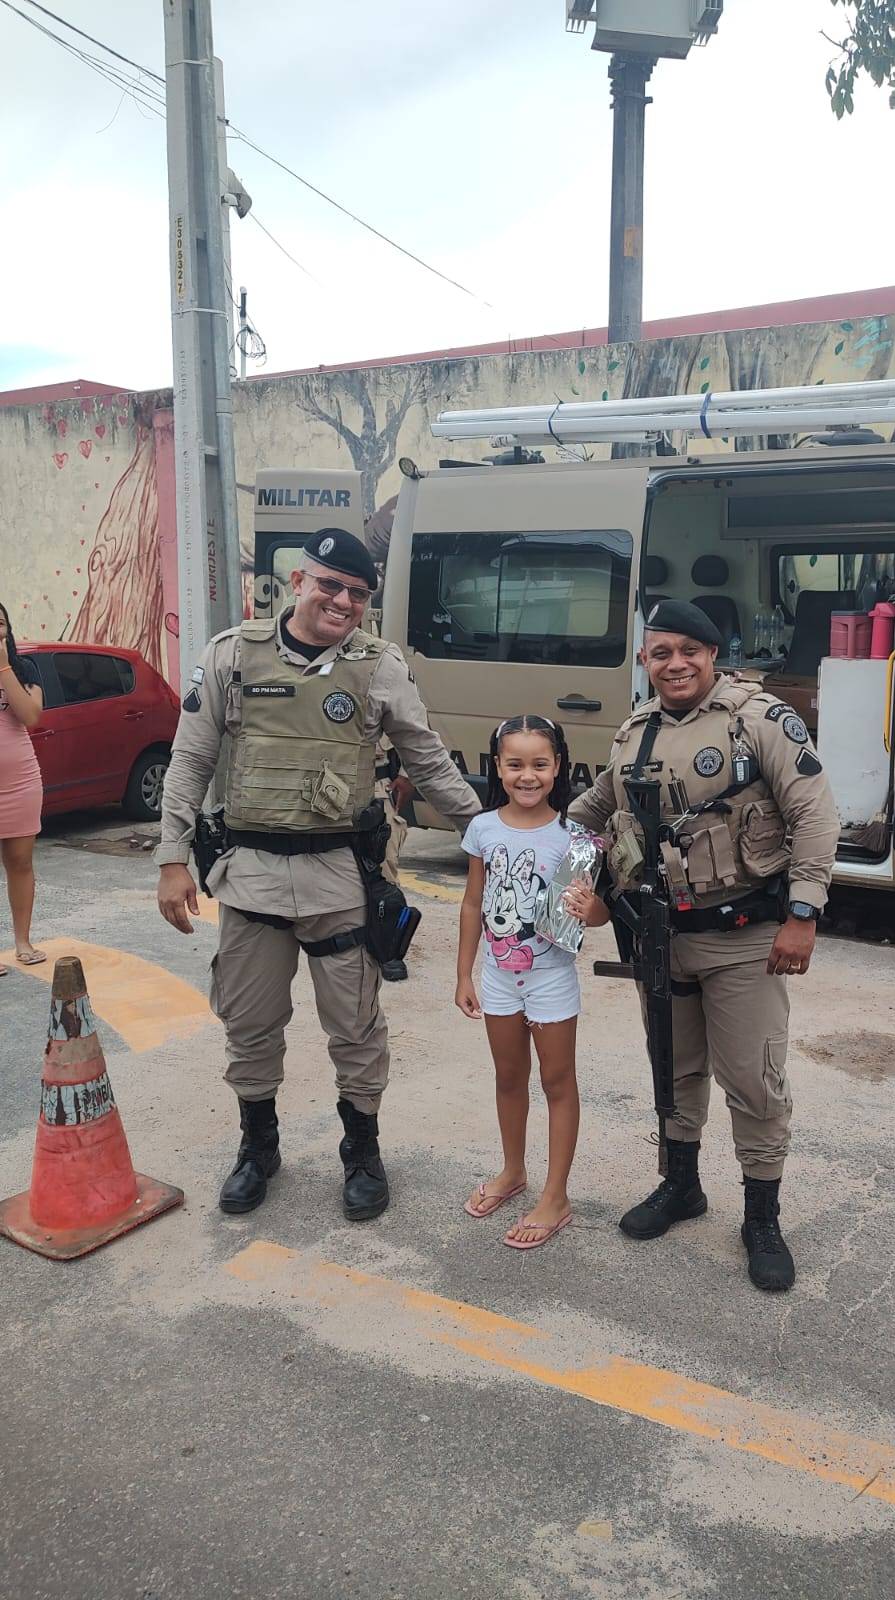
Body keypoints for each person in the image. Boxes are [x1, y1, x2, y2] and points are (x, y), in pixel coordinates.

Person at [156, 528, 479, 1220]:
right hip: (251, 879)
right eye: (330, 584)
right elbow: (189, 761)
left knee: (357, 1028)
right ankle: (258, 1146)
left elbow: (426, 759)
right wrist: (171, 858)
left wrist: (492, 831)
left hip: (340, 879)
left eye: (357, 593)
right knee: (249, 1023)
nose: (342, 601)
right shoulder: (231, 656)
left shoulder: (378, 664)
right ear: (298, 581)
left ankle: (361, 1152)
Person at [569, 599, 840, 1293]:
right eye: (661, 652)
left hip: (743, 935)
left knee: (751, 1079)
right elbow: (595, 811)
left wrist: (803, 912)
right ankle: (681, 1186)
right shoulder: (635, 731)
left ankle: (762, 1216)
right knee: (674, 1068)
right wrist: (521, 831)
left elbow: (813, 812)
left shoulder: (759, 719)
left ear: (713, 653)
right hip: (659, 935)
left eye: (689, 649)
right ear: (644, 661)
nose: (676, 663)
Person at [455, 715, 607, 1250]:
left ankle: (556, 1195)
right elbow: (474, 901)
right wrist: (463, 973)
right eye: (515, 764)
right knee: (508, 1077)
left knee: (558, 1082)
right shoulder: (483, 828)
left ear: (558, 766)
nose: (527, 775)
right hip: (497, 978)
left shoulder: (576, 838)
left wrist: (593, 910)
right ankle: (512, 1172)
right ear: (497, 767)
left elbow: (596, 914)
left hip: (551, 980)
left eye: (539, 764)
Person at [0, 600, 46, 975]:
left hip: (20, 783)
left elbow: (30, 717)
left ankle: (22, 941)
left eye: (0, 622)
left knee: (20, 862)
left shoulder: (23, 668)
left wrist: (3, 665)